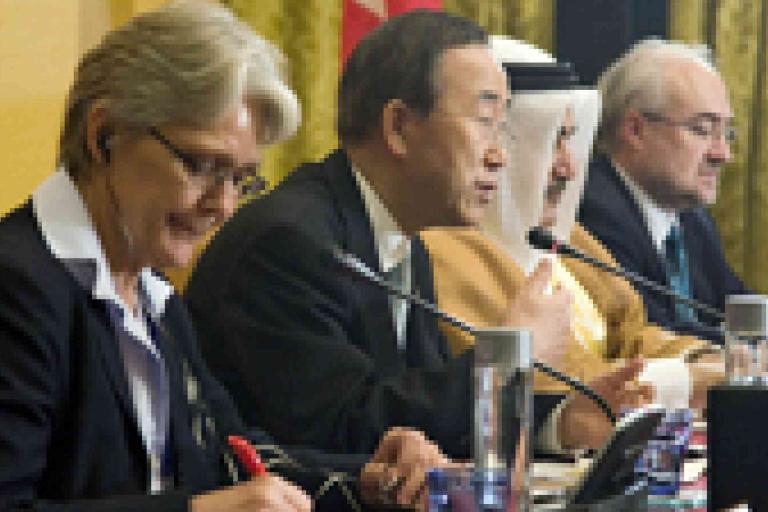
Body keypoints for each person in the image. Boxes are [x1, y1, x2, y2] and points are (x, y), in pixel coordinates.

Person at [0, 3, 448, 511]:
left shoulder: (152, 293)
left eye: (239, 179)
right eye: (203, 166)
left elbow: (228, 455)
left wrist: (367, 479)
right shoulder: (17, 285)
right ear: (104, 136)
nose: (224, 205)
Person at [186, 9, 643, 458]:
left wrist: (560, 422)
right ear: (400, 127)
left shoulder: (404, 239)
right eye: (485, 122)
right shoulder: (290, 244)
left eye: (503, 129)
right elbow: (344, 430)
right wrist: (506, 357)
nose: (499, 156)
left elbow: (419, 411)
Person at [422, 37, 704, 450]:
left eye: (571, 140)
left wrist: (705, 359)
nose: (568, 168)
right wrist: (683, 380)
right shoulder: (442, 248)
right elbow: (539, 381)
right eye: (553, 141)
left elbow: (634, 334)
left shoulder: (565, 236)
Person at [578, 39, 749, 342]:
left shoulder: (692, 217)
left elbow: (740, 305)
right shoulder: (594, 212)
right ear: (635, 130)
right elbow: (650, 334)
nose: (722, 153)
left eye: (726, 133)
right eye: (703, 130)